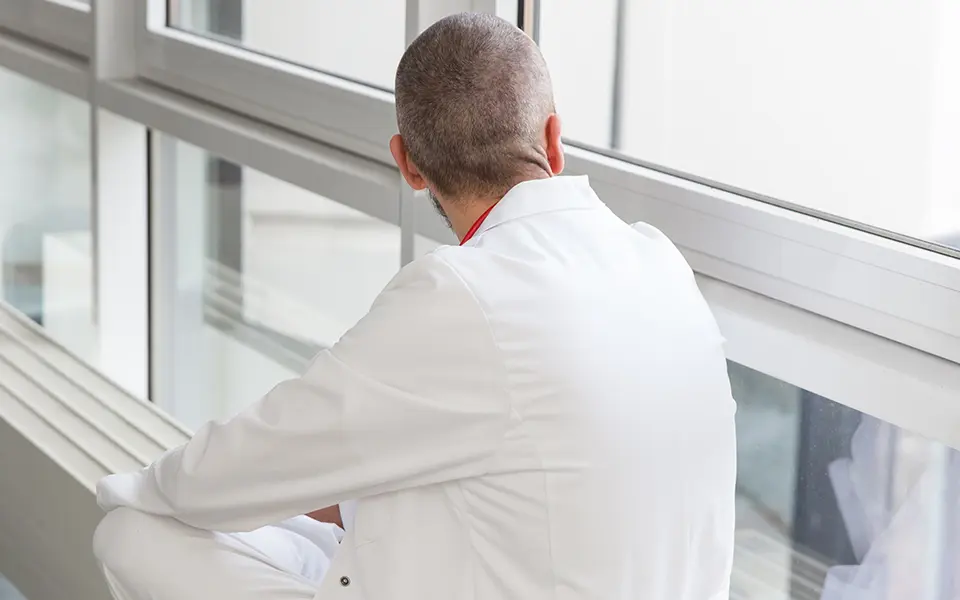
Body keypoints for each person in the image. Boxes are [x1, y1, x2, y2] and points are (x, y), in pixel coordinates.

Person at [93, 12, 737, 600]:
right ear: (553, 137)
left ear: (408, 164)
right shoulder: (659, 262)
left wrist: (134, 490)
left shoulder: (465, 293)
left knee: (131, 536)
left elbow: (236, 468)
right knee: (319, 518)